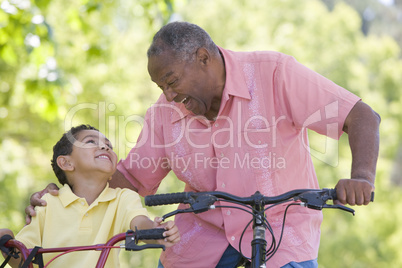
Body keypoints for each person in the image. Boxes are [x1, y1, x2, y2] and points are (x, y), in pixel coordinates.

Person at [26, 22, 380, 268]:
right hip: (201, 231)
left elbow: (361, 117)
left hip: (282, 225)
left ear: (203, 58)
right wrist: (65, 195)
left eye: (172, 80)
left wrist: (361, 177)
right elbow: (132, 180)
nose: (168, 95)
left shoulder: (274, 73)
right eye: (160, 86)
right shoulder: (165, 113)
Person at [0, 124, 180, 267]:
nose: (105, 146)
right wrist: (6, 242)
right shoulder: (48, 203)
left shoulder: (122, 198)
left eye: (109, 146)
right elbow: (23, 258)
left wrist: (156, 232)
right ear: (66, 163)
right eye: (91, 142)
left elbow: (139, 222)